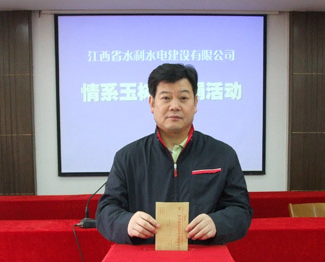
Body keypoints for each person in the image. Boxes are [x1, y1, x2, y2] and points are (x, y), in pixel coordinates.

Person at [95, 63, 252, 245]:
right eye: (166, 98)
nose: (174, 106)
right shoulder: (128, 157)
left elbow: (241, 210)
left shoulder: (222, 155)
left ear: (195, 103)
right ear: (152, 103)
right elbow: (106, 211)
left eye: (183, 98)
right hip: (145, 256)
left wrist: (218, 223)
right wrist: (127, 222)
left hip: (203, 256)